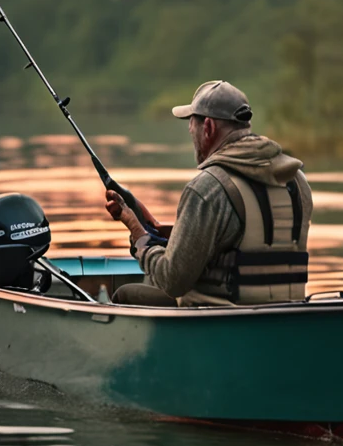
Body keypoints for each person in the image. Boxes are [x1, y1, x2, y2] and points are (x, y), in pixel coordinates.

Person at [105, 80, 312, 307]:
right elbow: (253, 241)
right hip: (287, 317)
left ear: (209, 128)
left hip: (223, 321)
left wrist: (139, 236)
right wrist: (171, 234)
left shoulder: (207, 188)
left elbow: (172, 281)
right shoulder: (297, 181)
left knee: (126, 294)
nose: (190, 131)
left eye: (191, 124)